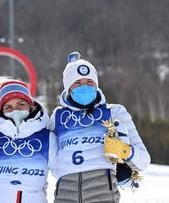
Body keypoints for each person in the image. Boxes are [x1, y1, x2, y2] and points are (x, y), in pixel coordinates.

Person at [49, 52, 151, 203]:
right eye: (77, 83)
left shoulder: (115, 112)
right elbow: (51, 159)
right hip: (65, 194)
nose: (84, 87)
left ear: (96, 85)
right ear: (68, 88)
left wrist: (124, 150)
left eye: (90, 82)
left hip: (103, 193)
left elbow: (144, 161)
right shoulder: (57, 117)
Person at [0, 78, 57, 203]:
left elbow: (63, 173)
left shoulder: (48, 138)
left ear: (30, 106)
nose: (15, 110)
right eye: (8, 107)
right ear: (1, 111)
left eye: (21, 104)